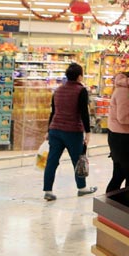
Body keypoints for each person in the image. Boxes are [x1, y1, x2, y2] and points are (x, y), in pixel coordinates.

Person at [42, 63, 97, 200]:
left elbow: (53, 112)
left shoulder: (58, 90)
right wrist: (88, 132)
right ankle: (82, 188)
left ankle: (48, 191)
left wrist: (48, 129)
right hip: (72, 131)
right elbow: (84, 112)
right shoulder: (81, 90)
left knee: (52, 161)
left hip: (55, 130)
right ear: (79, 76)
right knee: (78, 160)